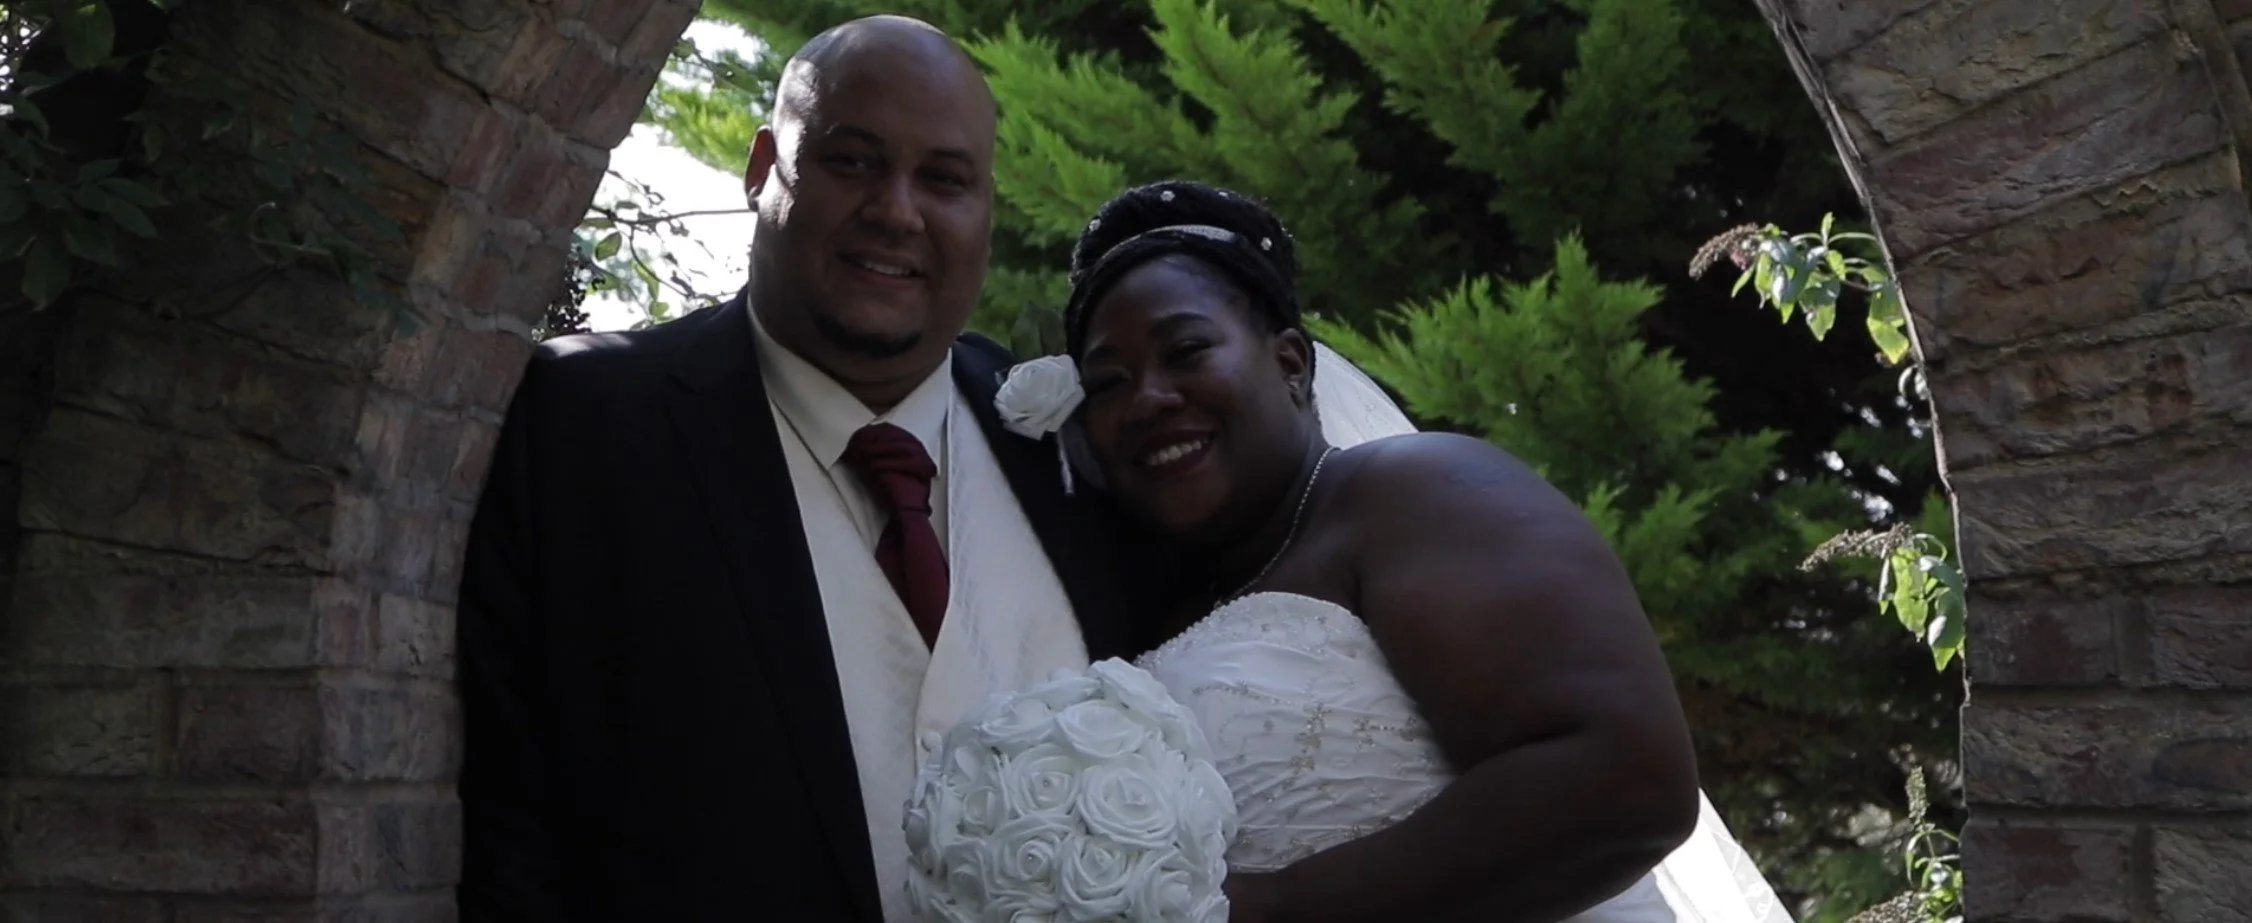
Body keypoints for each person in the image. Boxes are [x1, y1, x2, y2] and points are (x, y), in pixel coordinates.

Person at [453, 17, 1139, 922]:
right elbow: (521, 820)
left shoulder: (1060, 436)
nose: (897, 210)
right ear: (761, 168)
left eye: (944, 179)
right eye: (852, 161)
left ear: (986, 209)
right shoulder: (588, 423)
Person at [1020, 181, 1793, 922]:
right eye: (1109, 381)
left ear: (1291, 363)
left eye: (1185, 350)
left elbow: (1627, 779)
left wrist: (1274, 908)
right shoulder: (1166, 610)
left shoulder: (1412, 493)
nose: (1147, 397)